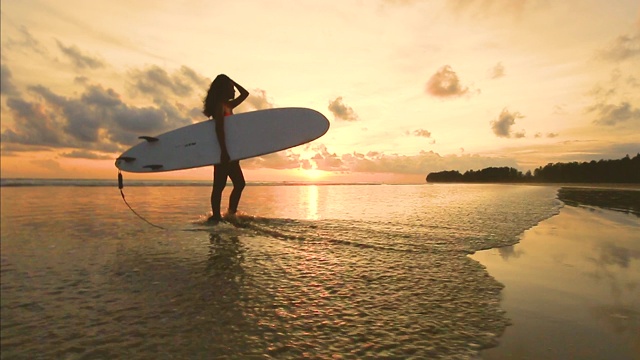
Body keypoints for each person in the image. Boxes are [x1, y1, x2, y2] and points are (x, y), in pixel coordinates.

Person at [203, 74, 249, 223]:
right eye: (231, 88)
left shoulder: (227, 105)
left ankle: (228, 214)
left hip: (229, 152)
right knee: (222, 185)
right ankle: (220, 215)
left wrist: (232, 80)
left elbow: (245, 94)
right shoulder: (220, 107)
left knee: (233, 184)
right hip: (224, 152)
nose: (234, 91)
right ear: (224, 90)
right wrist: (224, 151)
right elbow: (219, 129)